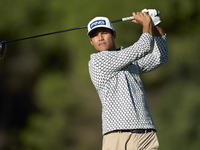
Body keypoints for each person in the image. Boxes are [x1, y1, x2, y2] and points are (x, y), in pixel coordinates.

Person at [87, 9, 168, 150]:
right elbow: (142, 47)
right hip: (119, 135)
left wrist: (156, 25)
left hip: (146, 134)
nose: (100, 38)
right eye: (94, 35)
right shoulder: (97, 61)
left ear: (114, 34)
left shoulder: (130, 63)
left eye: (104, 33)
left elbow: (160, 57)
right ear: (91, 41)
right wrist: (146, 24)